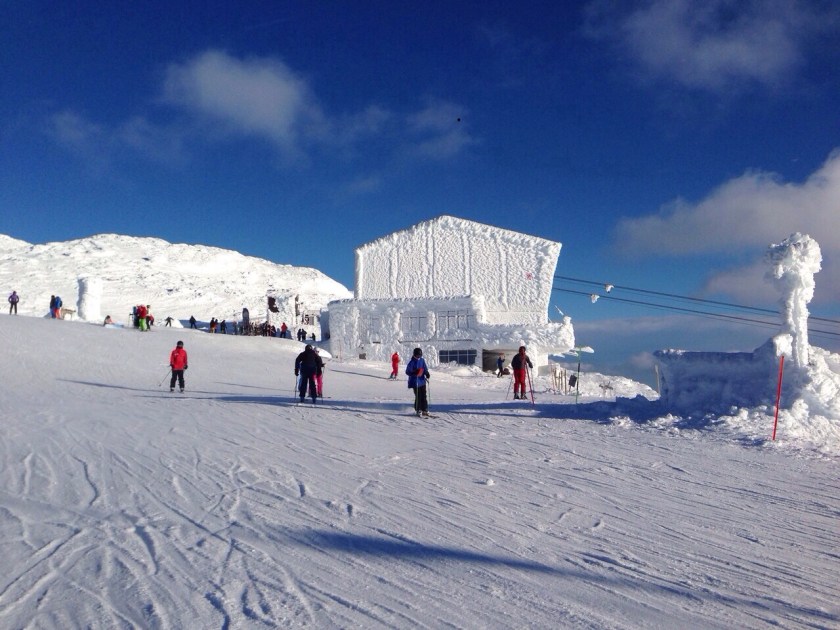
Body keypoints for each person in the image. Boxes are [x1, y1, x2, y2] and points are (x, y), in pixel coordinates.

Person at [405, 347, 431, 417]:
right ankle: (418, 409)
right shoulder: (412, 362)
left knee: (423, 396)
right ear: (414, 355)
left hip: (422, 381)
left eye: (420, 355)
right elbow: (407, 371)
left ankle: (424, 409)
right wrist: (414, 372)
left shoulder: (422, 360)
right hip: (415, 381)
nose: (418, 357)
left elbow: (424, 368)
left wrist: (427, 373)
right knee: (418, 396)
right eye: (417, 356)